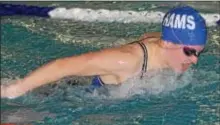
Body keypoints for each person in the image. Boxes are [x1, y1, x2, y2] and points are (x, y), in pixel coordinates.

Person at [1, 5, 207, 98]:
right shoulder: (126, 61)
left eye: (199, 52)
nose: (195, 60)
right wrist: (16, 89)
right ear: (168, 44)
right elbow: (62, 65)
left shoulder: (163, 44)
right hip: (58, 93)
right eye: (189, 52)